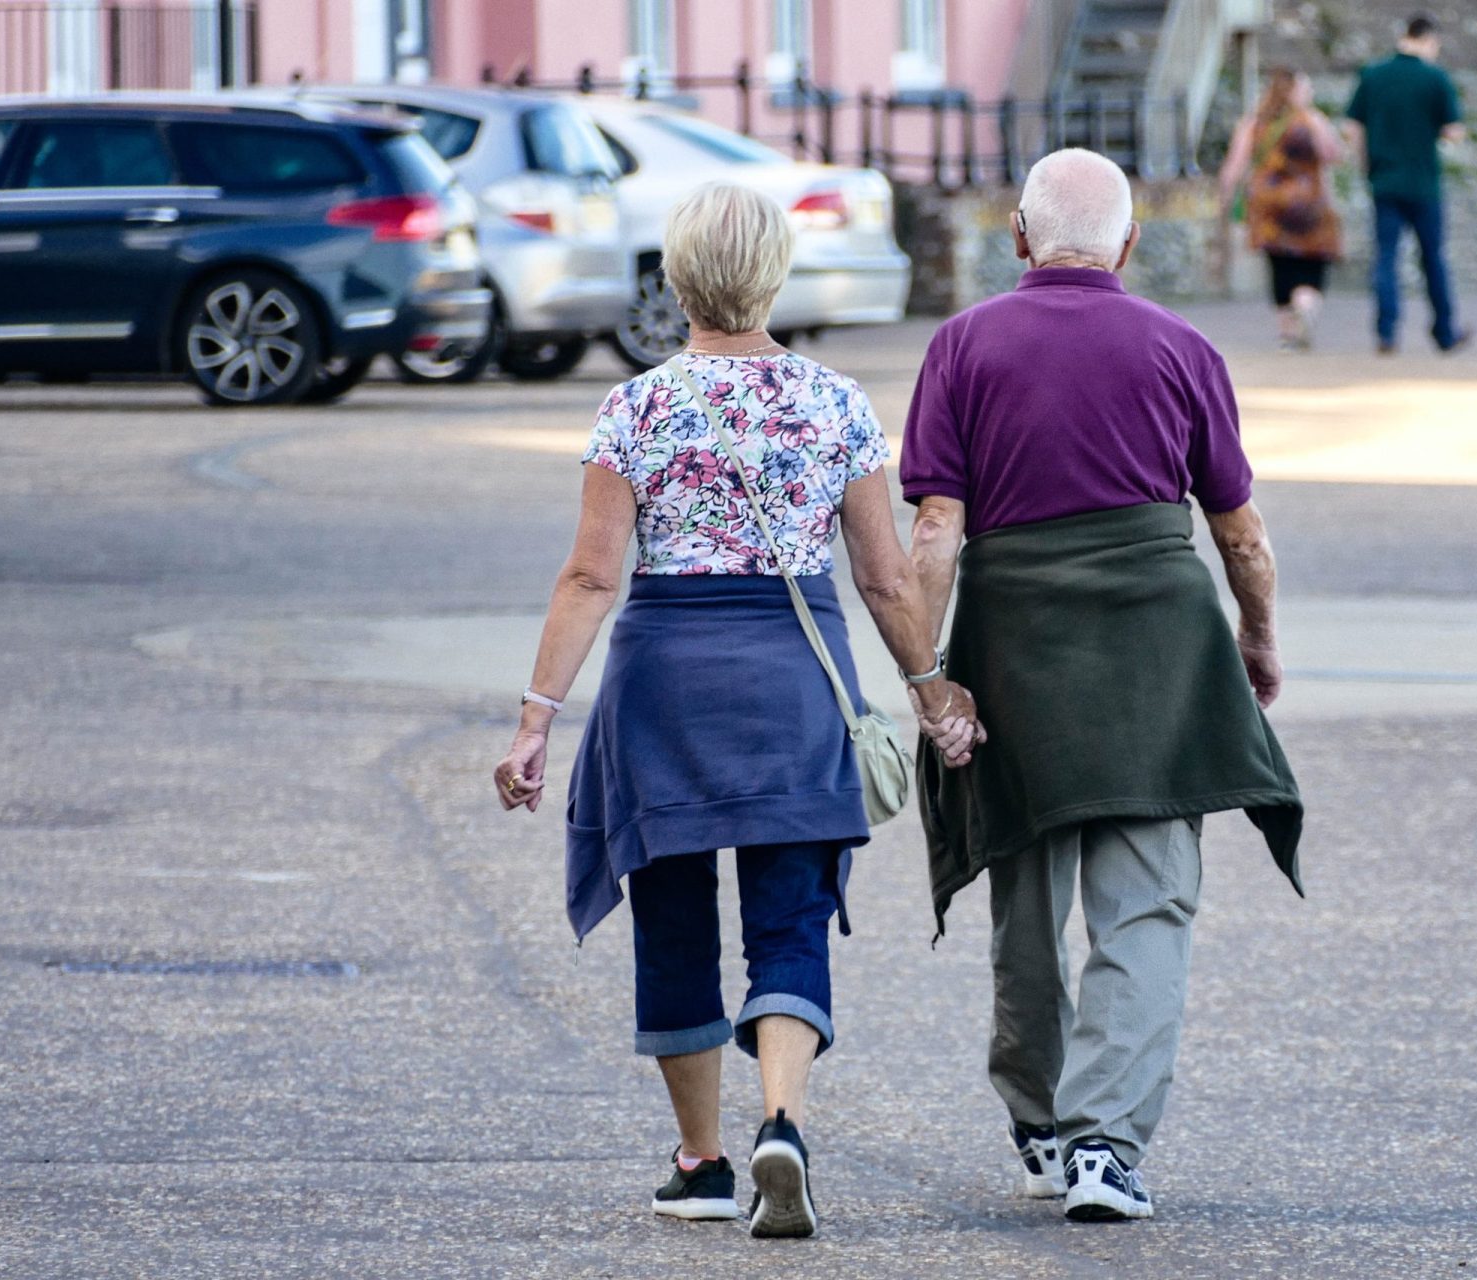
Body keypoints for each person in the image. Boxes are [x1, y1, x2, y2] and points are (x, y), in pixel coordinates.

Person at [491, 182, 982, 1240]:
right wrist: (932, 692)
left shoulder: (636, 406)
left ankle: (703, 1160)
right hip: (792, 684)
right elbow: (888, 581)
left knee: (673, 922)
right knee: (791, 921)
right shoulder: (838, 403)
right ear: (775, 275)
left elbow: (589, 576)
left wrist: (536, 717)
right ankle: (786, 1125)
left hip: (662, 688)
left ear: (675, 277)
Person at [901, 148, 1305, 1224]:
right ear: (1129, 244)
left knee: (1024, 899)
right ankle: (1105, 1149)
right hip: (1156, 655)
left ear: (1020, 240)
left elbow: (936, 528)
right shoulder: (1181, 346)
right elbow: (1241, 533)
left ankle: (1040, 1124)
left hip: (1014, 645)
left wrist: (929, 673)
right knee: (1147, 905)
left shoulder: (963, 345)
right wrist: (1255, 640)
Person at [1344, 13, 1471, 354]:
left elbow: (1352, 128)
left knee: (1385, 257)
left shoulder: (1373, 75)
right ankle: (1444, 331)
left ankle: (1386, 332)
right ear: (1429, 40)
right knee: (1432, 257)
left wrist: (1366, 165)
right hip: (1423, 183)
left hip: (1384, 181)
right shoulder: (1435, 78)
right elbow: (1454, 131)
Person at [1219, 66, 1345, 351]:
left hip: (1269, 204)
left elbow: (1234, 166)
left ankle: (1287, 332)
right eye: (1307, 87)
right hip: (1310, 202)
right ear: (1296, 91)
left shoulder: (1255, 122)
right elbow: (1333, 155)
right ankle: (1306, 302)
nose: (1311, 92)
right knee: (1313, 261)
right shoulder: (1311, 120)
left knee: (1279, 264)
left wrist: (1226, 198)